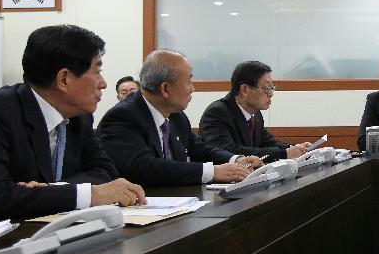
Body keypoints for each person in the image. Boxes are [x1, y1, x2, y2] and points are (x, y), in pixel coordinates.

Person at [0, 25, 146, 220]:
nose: (103, 83)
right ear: (64, 79)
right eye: (97, 72)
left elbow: (105, 173)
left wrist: (54, 191)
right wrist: (90, 194)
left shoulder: (80, 116)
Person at [98, 50, 261, 186]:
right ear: (165, 89)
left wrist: (236, 160)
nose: (193, 88)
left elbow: (198, 148)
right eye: (189, 81)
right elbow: (145, 168)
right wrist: (213, 172)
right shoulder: (123, 117)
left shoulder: (176, 115)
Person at [199, 60, 309, 162]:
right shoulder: (217, 113)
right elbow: (229, 151)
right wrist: (283, 154)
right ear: (245, 90)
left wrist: (295, 148)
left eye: (272, 88)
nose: (271, 94)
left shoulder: (255, 114)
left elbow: (267, 142)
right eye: (266, 88)